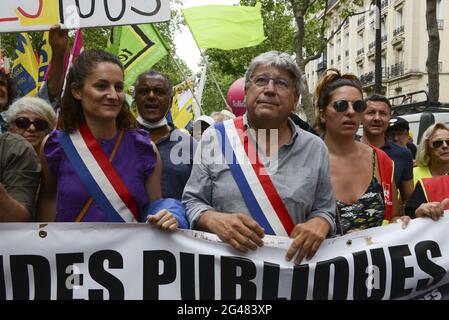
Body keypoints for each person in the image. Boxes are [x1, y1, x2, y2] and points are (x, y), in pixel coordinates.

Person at [183, 51, 336, 265]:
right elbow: (192, 201)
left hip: (292, 275)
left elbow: (325, 208)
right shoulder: (215, 138)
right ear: (246, 91)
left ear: (295, 100)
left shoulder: (315, 147)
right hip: (226, 274)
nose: (270, 89)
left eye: (282, 83)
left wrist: (321, 222)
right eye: (261, 80)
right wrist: (212, 219)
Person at [36, 49, 187, 229]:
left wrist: (169, 214)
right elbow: (48, 200)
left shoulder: (145, 148)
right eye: (101, 86)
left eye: (119, 87)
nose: (113, 95)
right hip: (71, 254)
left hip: (127, 254)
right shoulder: (55, 147)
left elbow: (154, 208)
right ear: (77, 91)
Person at [316, 69, 405, 235]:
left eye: (358, 106)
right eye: (341, 105)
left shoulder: (380, 159)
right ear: (323, 115)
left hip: (375, 261)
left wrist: (401, 223)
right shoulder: (306, 160)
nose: (350, 112)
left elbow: (394, 216)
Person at [133, 70, 197, 201]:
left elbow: (201, 199)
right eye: (144, 91)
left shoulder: (192, 147)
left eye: (159, 92)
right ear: (135, 98)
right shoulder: (117, 141)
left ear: (171, 100)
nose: (151, 96)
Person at [360, 94, 414, 203]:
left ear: (389, 117)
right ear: (360, 117)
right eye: (371, 113)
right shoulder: (347, 150)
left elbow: (409, 201)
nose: (377, 118)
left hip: (391, 218)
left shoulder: (403, 154)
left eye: (383, 113)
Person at [0, 132, 41, 221]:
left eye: (39, 124)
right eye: (21, 122)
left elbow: (18, 220)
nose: (32, 129)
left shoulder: (14, 147)